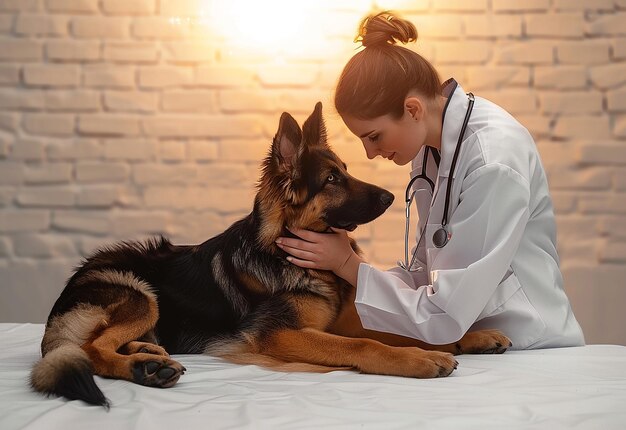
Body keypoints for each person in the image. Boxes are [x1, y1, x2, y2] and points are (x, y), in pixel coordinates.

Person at [274, 11, 585, 350]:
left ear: (412, 109)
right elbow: (428, 274)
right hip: (477, 342)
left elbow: (444, 316)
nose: (370, 153)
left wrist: (347, 263)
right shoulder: (430, 150)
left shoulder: (492, 161)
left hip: (527, 344)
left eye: (374, 136)